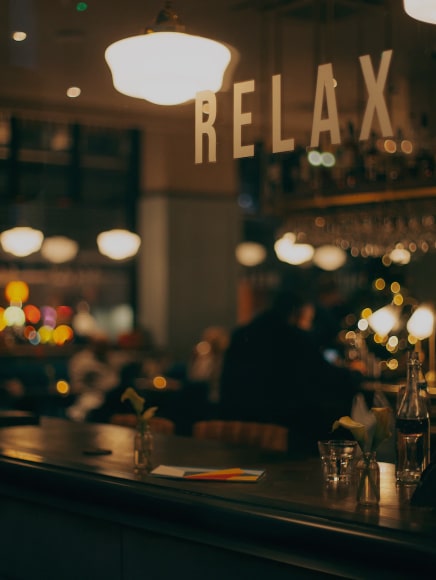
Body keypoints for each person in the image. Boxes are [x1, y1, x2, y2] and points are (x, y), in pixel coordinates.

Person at [219, 289, 364, 456]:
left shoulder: (242, 333)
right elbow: (327, 377)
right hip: (282, 431)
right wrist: (354, 373)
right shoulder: (295, 337)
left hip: (235, 424)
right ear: (298, 311)